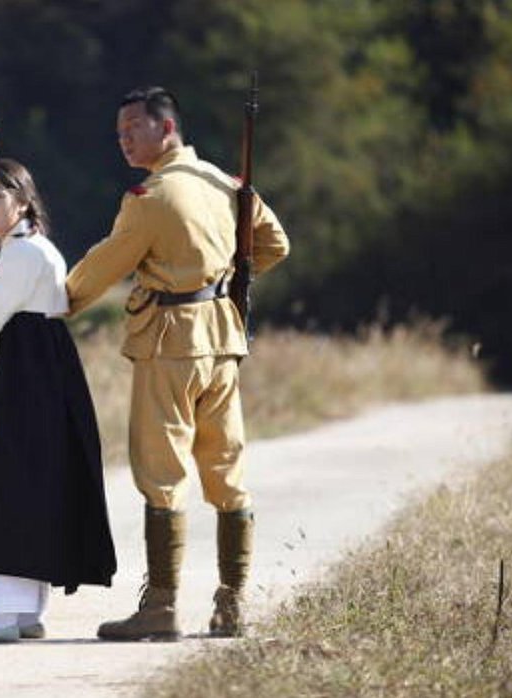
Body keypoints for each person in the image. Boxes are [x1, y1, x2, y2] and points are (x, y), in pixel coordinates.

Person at [66, 87, 290, 641]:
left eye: (133, 129)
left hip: (169, 341)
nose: (123, 140)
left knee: (162, 472)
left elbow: (103, 267)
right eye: (119, 132)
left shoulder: (152, 197)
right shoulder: (227, 184)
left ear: (167, 130)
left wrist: (56, 301)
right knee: (226, 469)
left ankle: (161, 607)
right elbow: (274, 244)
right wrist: (225, 277)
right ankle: (232, 603)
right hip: (222, 337)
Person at [0, 159, 117, 643]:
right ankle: (25, 611)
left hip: (27, 373)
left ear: (23, 201)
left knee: (9, 480)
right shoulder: (31, 249)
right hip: (39, 369)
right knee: (33, 481)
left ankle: (4, 614)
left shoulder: (22, 254)